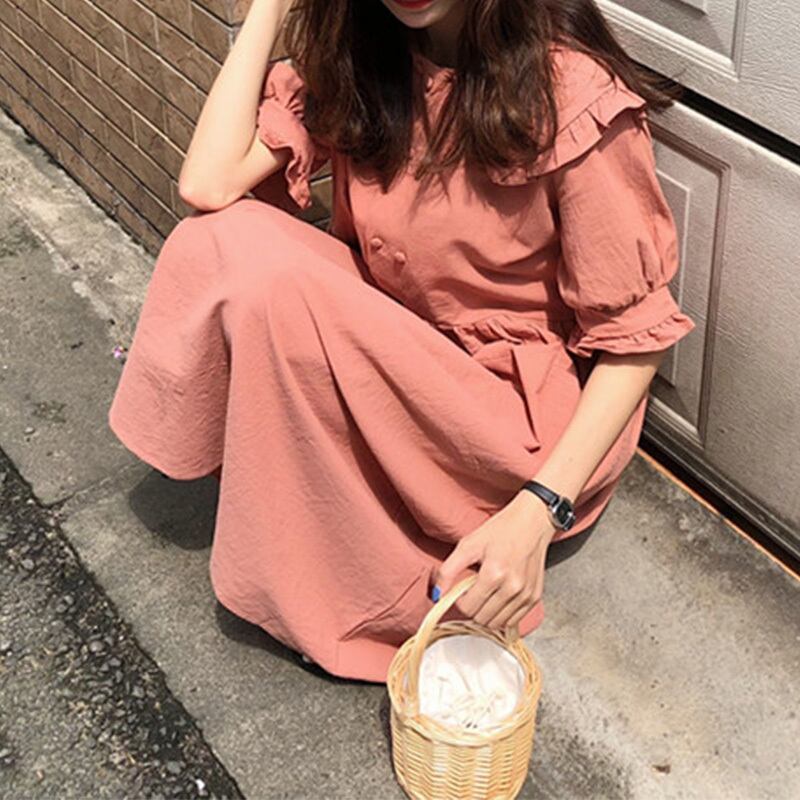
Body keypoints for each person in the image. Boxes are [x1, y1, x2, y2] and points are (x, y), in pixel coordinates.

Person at [108, 0, 696, 683]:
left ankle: (357, 568)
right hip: (401, 345)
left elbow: (635, 340)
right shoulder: (369, 53)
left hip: (504, 421)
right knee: (219, 241)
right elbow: (207, 184)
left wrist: (539, 511)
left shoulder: (569, 91)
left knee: (278, 286)